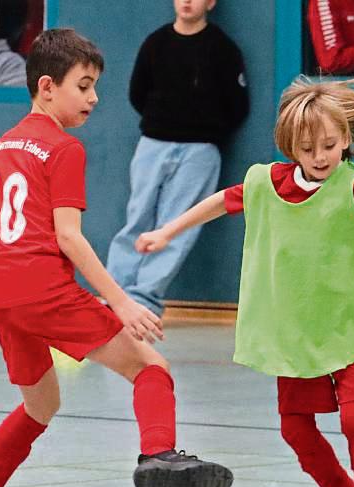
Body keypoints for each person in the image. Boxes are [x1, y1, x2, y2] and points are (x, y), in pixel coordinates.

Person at [0, 28, 233, 487]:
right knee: (150, 366)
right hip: (45, 292)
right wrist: (122, 302)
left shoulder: (3, 144)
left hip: (3, 296)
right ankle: (159, 453)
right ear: (47, 87)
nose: (94, 98)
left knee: (39, 406)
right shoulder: (63, 148)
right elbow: (69, 237)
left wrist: (10, 268)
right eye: (85, 85)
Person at [134, 77, 354, 487]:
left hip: (351, 327)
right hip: (293, 332)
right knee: (295, 428)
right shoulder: (266, 183)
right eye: (308, 147)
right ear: (290, 146)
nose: (320, 156)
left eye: (331, 145)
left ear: (347, 140)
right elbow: (219, 202)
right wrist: (167, 231)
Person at [105, 0, 249, 318]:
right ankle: (115, 296)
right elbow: (137, 92)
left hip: (200, 150)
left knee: (177, 225)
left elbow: (237, 104)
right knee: (137, 217)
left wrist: (207, 130)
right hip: (152, 144)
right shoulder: (156, 43)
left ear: (211, 3)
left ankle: (143, 301)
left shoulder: (222, 49)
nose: (187, 1)